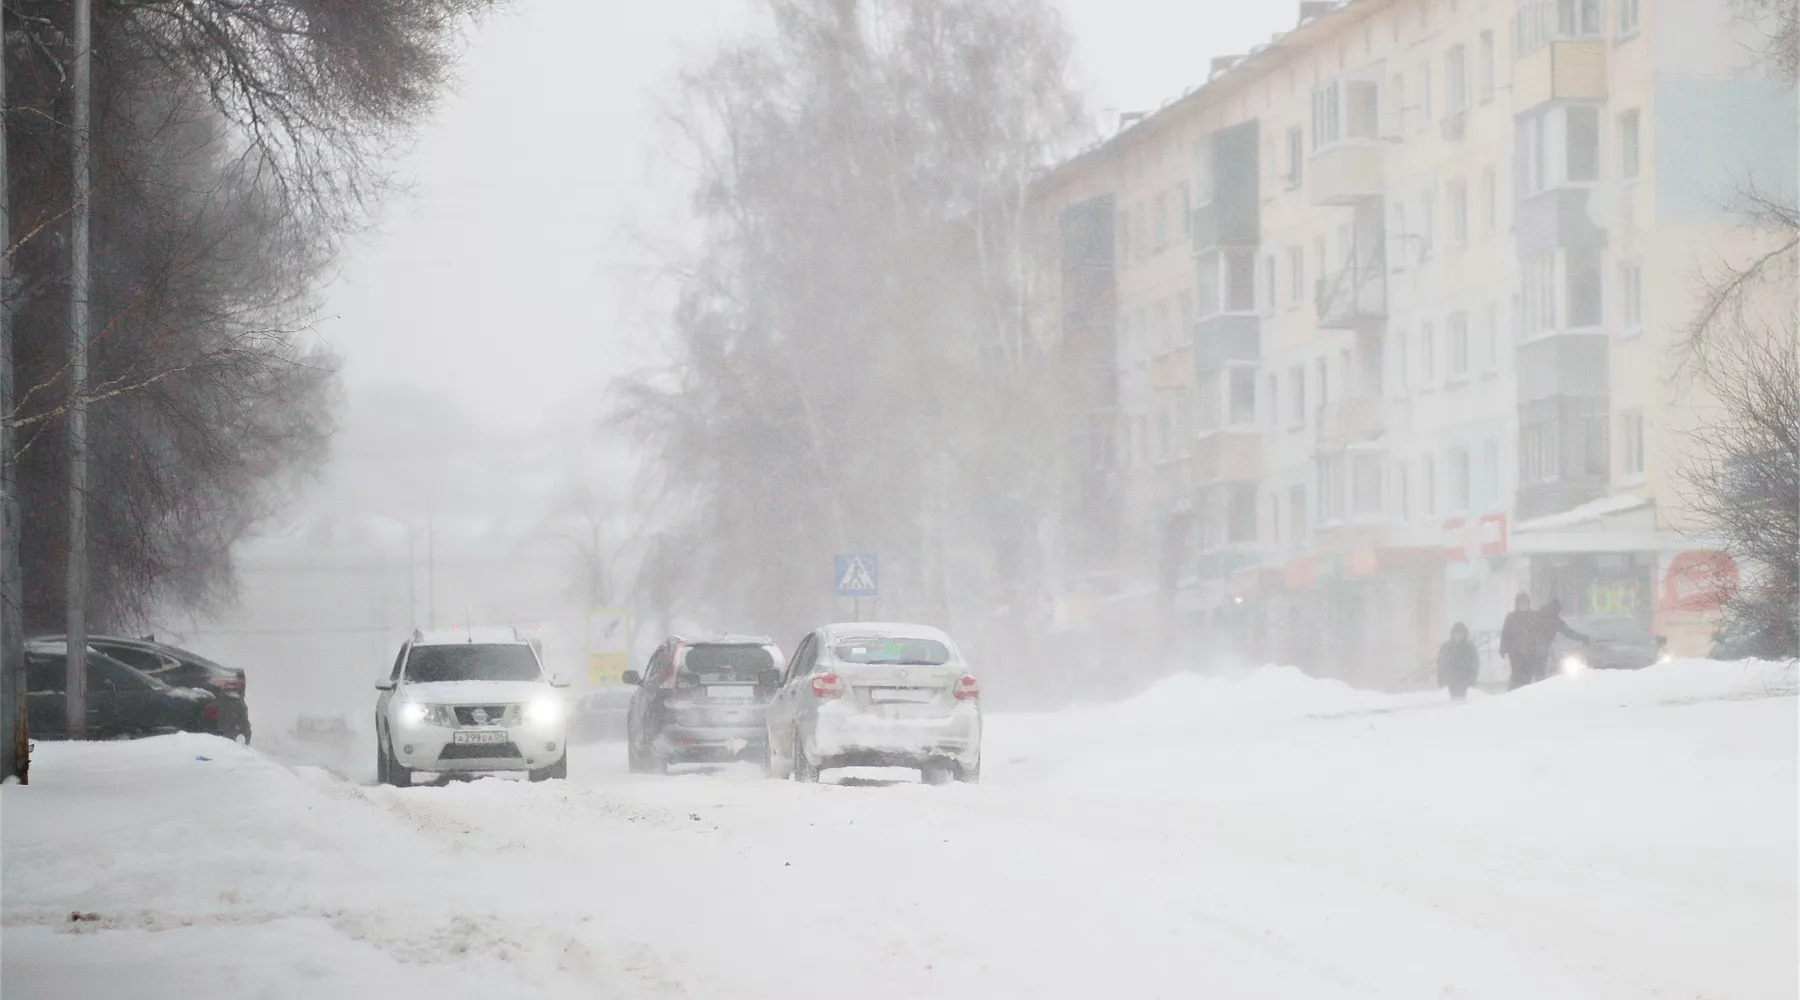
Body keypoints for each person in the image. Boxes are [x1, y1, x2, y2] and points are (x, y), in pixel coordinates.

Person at [1529, 597, 1589, 681]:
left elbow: (1568, 631)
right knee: (1540, 672)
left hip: (1534, 648)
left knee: (1536, 673)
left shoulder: (1540, 615)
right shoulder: (1553, 620)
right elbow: (1568, 632)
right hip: (1540, 648)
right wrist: (1582, 638)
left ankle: (1534, 686)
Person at [1497, 592, 1539, 691]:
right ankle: (1512, 694)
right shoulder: (1511, 617)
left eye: (1525, 603)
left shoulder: (1534, 616)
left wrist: (1539, 647)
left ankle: (1526, 695)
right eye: (1521, 603)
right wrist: (1503, 648)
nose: (1523, 605)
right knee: (1516, 675)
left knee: (1528, 676)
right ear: (1517, 604)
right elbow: (1505, 634)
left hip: (1530, 652)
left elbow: (1539, 633)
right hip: (1515, 653)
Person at [1436, 622, 1480, 701]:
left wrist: (1472, 679)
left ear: (1465, 634)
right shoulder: (1446, 647)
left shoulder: (1470, 647)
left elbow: (1475, 664)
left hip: (1465, 681)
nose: (1458, 636)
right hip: (1450, 682)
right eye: (1456, 633)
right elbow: (1441, 664)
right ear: (1452, 634)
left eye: (1461, 633)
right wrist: (1441, 680)